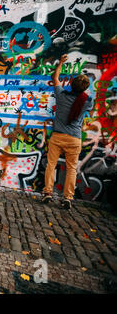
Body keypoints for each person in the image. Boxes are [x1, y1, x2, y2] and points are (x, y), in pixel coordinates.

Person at [42, 54, 94, 209]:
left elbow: (55, 77)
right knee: (71, 168)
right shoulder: (87, 102)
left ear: (71, 84)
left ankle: (48, 193)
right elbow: (89, 111)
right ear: (85, 88)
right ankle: (67, 198)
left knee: (51, 165)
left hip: (57, 136)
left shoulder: (61, 95)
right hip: (74, 139)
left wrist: (61, 63)